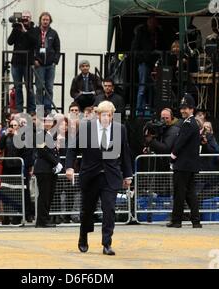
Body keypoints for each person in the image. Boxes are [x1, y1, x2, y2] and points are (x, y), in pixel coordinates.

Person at [66, 101, 133, 256]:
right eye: (103, 115)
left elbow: (125, 152)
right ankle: (83, 236)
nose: (106, 118)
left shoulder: (119, 129)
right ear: (97, 115)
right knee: (87, 211)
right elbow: (73, 149)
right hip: (90, 175)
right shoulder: (86, 128)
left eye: (109, 115)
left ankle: (107, 243)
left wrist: (128, 174)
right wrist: (69, 167)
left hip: (110, 176)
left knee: (109, 209)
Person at [168, 94, 202, 229]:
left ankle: (177, 221)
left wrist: (172, 156)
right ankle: (196, 221)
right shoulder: (192, 123)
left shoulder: (188, 124)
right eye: (182, 108)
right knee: (189, 194)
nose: (183, 111)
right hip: (189, 165)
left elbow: (180, 143)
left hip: (183, 165)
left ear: (192, 109)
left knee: (180, 193)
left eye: (185, 108)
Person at [131, 15, 167, 116]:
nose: (153, 24)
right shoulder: (141, 32)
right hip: (144, 62)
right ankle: (139, 110)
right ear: (148, 22)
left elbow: (162, 45)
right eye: (151, 22)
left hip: (156, 63)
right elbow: (134, 48)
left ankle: (153, 110)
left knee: (155, 87)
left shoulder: (158, 32)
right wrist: (143, 58)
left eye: (155, 22)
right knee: (142, 86)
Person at [34, 115, 62, 228]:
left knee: (49, 195)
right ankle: (41, 221)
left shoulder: (50, 134)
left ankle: (45, 218)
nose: (48, 122)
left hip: (49, 169)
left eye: (50, 121)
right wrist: (56, 163)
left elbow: (54, 152)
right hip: (43, 169)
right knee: (44, 195)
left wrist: (56, 163)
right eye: (46, 121)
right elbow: (43, 151)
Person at [8, 10, 36, 114]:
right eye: (23, 17)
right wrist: (16, 29)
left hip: (28, 63)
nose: (25, 19)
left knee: (29, 86)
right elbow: (10, 42)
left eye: (27, 17)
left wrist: (25, 31)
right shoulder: (16, 28)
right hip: (16, 62)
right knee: (18, 86)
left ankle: (31, 109)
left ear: (30, 18)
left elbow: (35, 42)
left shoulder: (33, 29)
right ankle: (19, 109)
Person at [33, 12, 61, 115]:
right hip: (38, 64)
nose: (45, 21)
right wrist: (34, 59)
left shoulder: (53, 33)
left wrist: (55, 61)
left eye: (47, 20)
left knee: (49, 87)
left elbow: (58, 48)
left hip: (50, 65)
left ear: (50, 21)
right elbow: (31, 47)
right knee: (39, 87)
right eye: (43, 19)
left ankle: (48, 108)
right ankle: (39, 109)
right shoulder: (35, 32)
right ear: (40, 20)